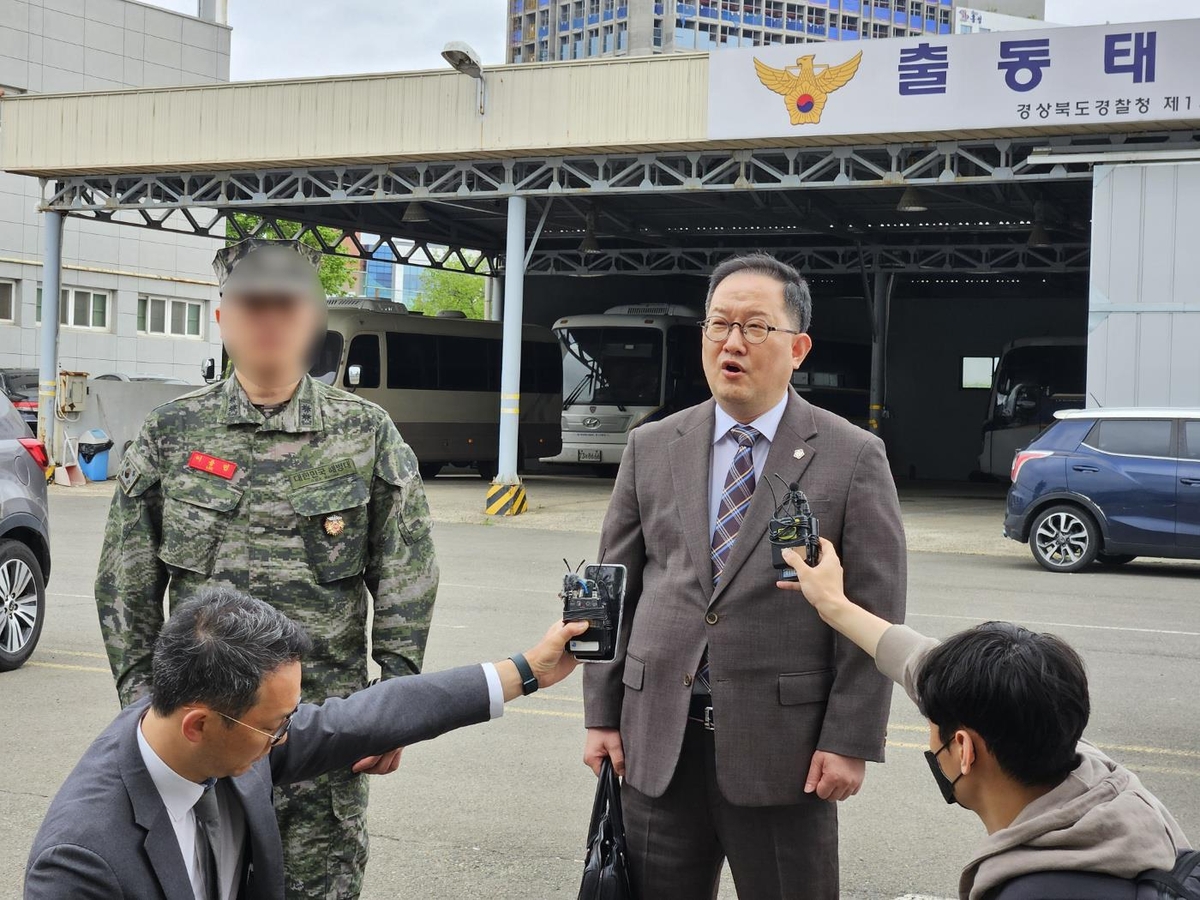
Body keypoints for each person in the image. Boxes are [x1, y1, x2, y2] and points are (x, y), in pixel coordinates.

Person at [95, 238, 435, 899]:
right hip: (199, 741)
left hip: (321, 741)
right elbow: (126, 583)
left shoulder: (365, 433)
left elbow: (405, 572)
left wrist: (393, 703)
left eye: (288, 305)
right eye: (252, 305)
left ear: (313, 321)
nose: (270, 320)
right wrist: (143, 710)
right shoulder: (171, 434)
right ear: (223, 319)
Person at [581, 252, 907, 899]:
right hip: (658, 743)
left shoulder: (851, 455)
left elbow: (874, 605)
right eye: (718, 325)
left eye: (755, 327)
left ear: (798, 347)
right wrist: (601, 712)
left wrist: (850, 739)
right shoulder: (652, 446)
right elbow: (612, 587)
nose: (732, 342)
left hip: (785, 755)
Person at [27, 588, 589, 899]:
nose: (286, 739)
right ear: (198, 725)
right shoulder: (81, 862)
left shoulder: (217, 738)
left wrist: (527, 670)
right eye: (274, 726)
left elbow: (364, 717)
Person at [781, 538, 1191, 900]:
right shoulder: (1095, 775)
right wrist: (833, 604)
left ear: (963, 748)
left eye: (932, 724)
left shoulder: (1037, 890)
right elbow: (918, 660)